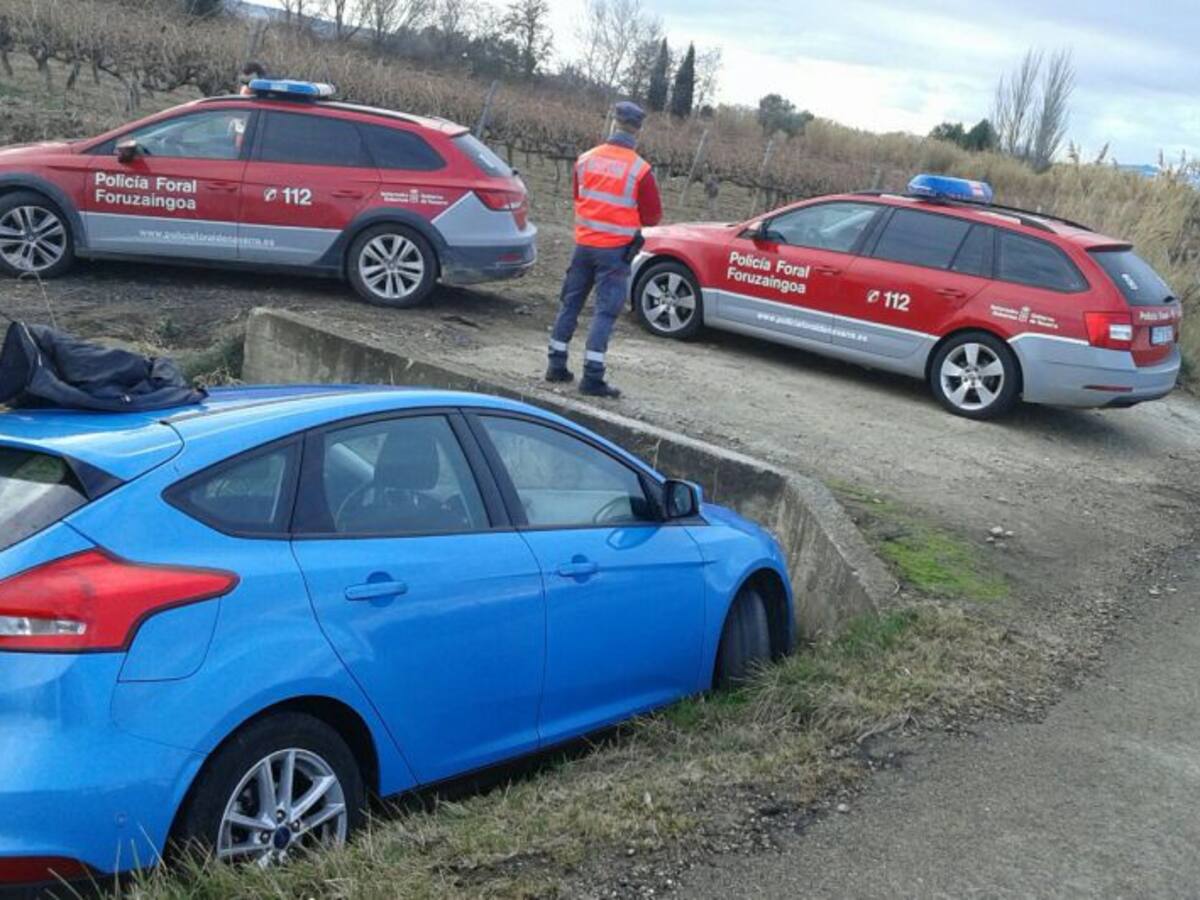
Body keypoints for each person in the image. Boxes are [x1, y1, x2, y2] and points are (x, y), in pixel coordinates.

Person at [546, 100, 662, 399]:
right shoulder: (640, 170)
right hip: (615, 252)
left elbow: (579, 196)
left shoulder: (585, 159)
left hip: (583, 245)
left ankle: (556, 364)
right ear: (638, 130)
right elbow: (652, 217)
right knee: (605, 312)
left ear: (613, 123)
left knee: (570, 303)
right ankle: (592, 376)